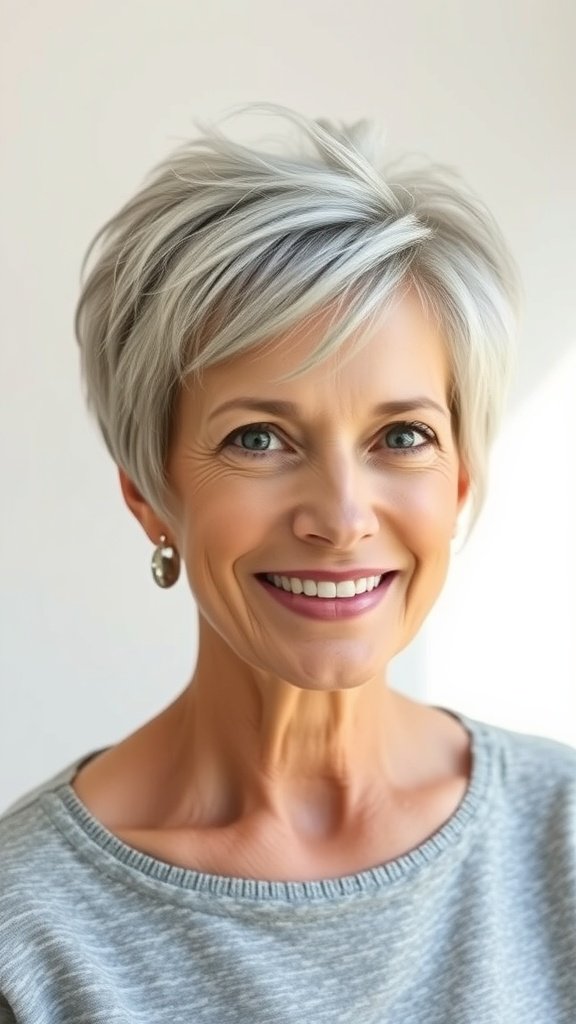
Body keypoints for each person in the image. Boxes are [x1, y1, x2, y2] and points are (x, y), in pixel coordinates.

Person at [1, 102, 575, 1024]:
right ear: (148, 492)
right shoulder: (27, 932)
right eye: (259, 437)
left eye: (402, 435)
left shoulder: (563, 837)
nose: (343, 517)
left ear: (460, 479)